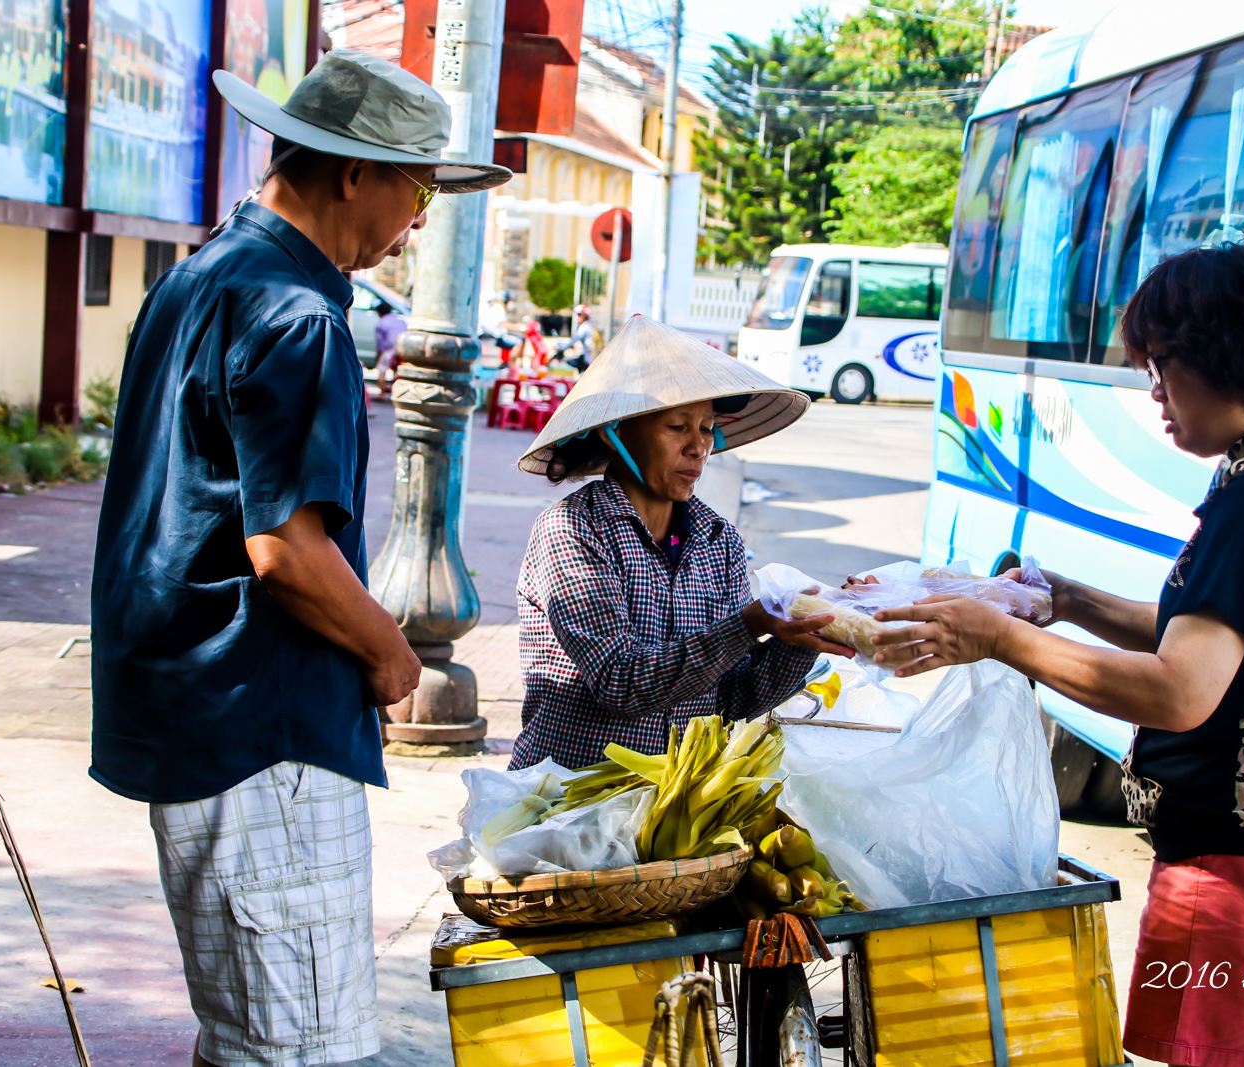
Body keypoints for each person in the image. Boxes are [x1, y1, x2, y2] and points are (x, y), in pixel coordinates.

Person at [869, 244, 1244, 1067]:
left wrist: (1005, 637)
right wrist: (1074, 601)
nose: (1152, 392)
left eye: (1160, 366)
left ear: (1224, 354)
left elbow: (1182, 690)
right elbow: (1218, 634)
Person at [89, 49, 510, 1067]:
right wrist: (391, 655)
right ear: (352, 173)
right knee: (301, 1043)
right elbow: (285, 547)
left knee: (248, 1030)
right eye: (416, 190)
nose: (416, 221)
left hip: (194, 706)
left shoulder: (201, 277)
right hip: (258, 721)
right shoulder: (297, 311)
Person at [508, 315, 849, 770]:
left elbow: (731, 699)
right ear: (617, 433)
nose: (698, 448)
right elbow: (620, 682)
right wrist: (748, 625)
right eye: (677, 427)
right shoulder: (572, 530)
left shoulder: (719, 541)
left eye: (706, 427)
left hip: (671, 804)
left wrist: (805, 635)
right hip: (567, 800)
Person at [554, 304, 601, 371]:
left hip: (587, 361)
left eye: (579, 315)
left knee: (566, 363)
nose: (577, 317)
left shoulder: (584, 328)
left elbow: (573, 340)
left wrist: (560, 346)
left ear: (583, 316)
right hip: (590, 358)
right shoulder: (590, 326)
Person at [374, 302, 408, 392]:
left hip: (389, 349)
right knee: (397, 371)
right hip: (402, 348)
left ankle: (381, 394)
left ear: (379, 313)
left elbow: (380, 342)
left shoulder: (381, 323)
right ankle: (395, 392)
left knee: (382, 370)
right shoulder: (400, 320)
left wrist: (378, 355)